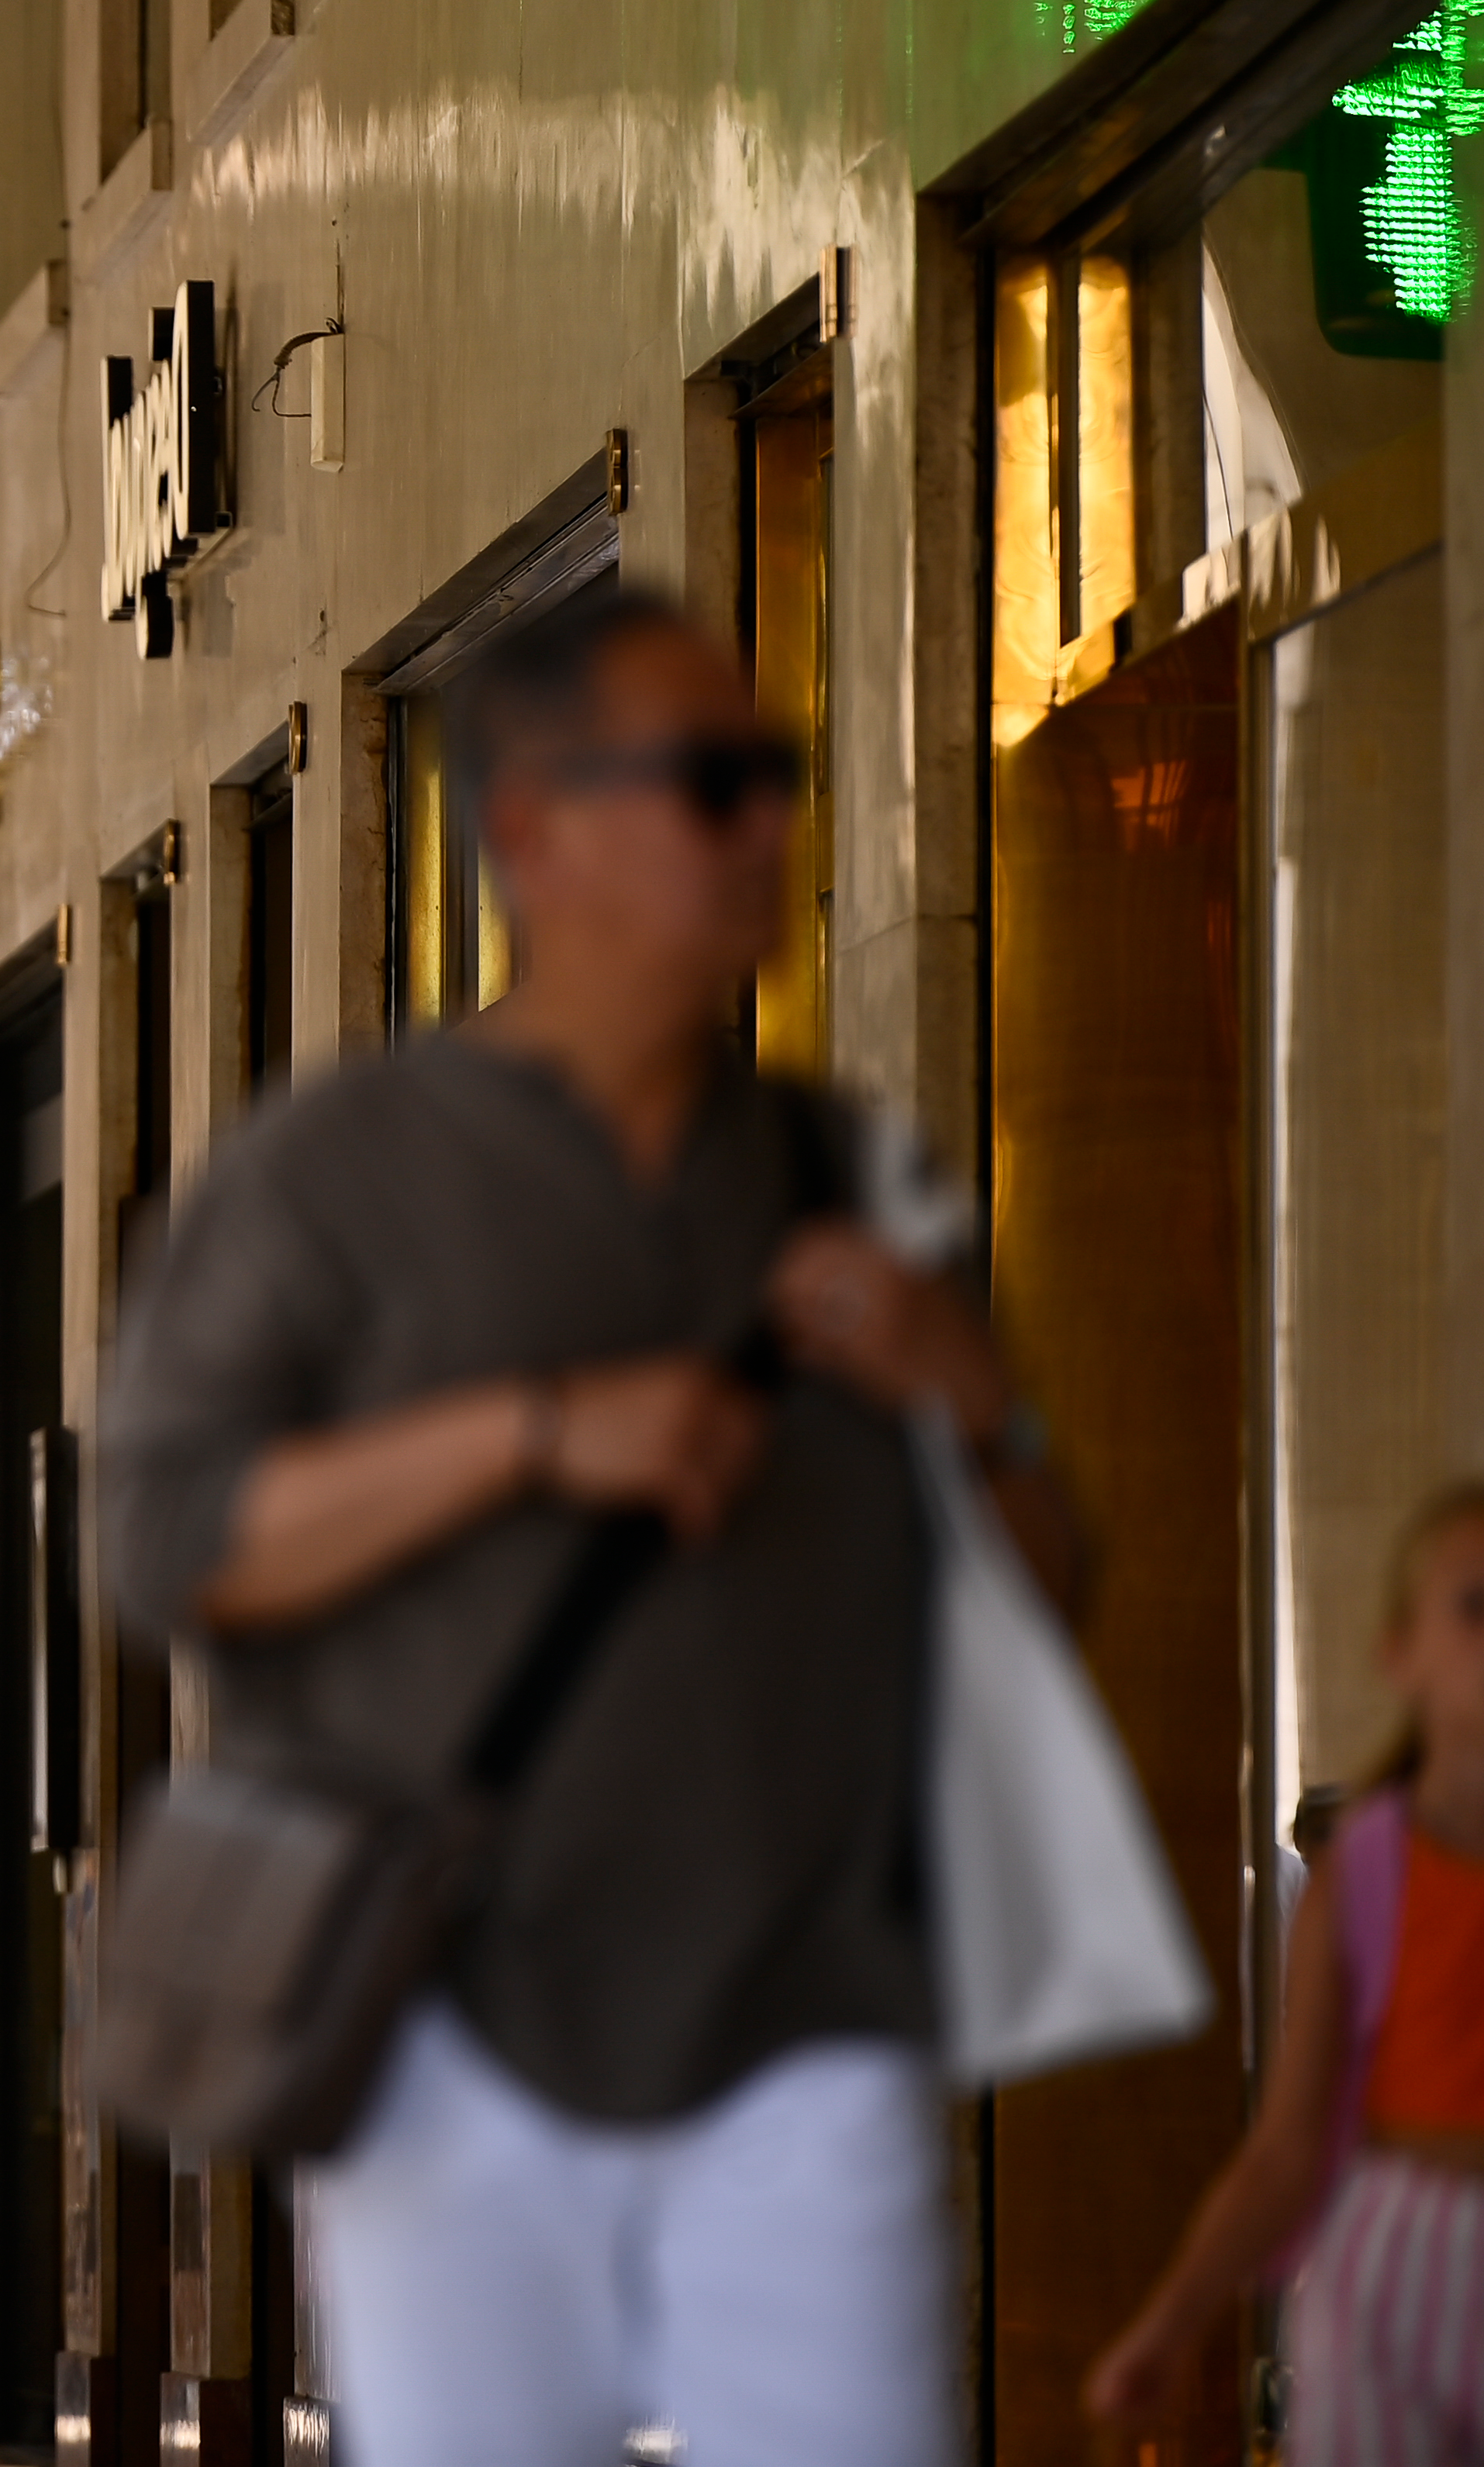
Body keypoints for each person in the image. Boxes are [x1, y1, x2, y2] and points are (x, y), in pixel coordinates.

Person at [97, 585, 1081, 2467]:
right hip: (457, 2021)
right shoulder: (333, 1178)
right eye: (712, 782)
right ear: (534, 828)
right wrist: (537, 1432)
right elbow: (167, 1533)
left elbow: (1029, 1599)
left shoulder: (844, 1173)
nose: (766, 829)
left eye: (771, 778)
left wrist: (979, 1398)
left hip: (799, 2014)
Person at [1089, 1486, 1484, 2459]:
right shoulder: (1367, 1876)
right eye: (1476, 1607)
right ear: (1400, 1651)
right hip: (1389, 2276)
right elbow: (1286, 2151)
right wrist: (1172, 2321)